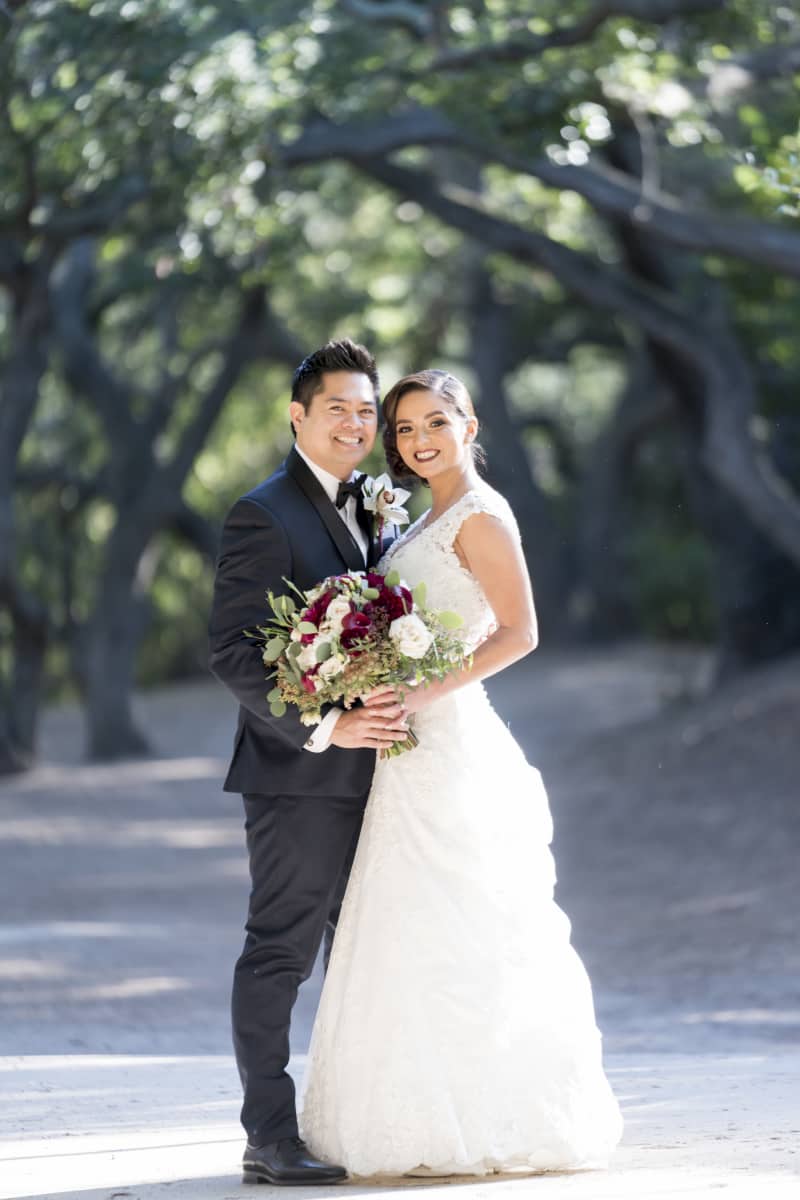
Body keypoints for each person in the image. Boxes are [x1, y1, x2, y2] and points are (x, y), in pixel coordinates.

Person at [300, 369, 624, 1177]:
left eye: (435, 422)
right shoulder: (419, 517)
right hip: (407, 749)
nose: (418, 441)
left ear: (470, 424)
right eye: (405, 429)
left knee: (467, 920)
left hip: (449, 738)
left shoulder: (480, 515)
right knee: (400, 921)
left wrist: (419, 689)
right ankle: (403, 1115)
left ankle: (486, 1116)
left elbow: (520, 632)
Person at [208, 339, 408, 1186]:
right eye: (340, 409)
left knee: (369, 951)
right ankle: (268, 1134)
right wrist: (326, 722)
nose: (357, 424)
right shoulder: (264, 513)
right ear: (297, 415)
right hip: (300, 775)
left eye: (367, 410)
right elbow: (232, 652)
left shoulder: (381, 506)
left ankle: (361, 1121)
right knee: (280, 950)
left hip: (393, 779)